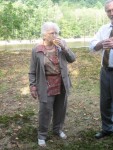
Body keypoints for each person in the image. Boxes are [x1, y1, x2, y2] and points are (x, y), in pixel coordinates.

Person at [29, 22, 75, 147]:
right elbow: (32, 71)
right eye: (52, 33)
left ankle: (58, 130)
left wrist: (65, 47)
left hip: (61, 83)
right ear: (44, 35)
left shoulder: (61, 48)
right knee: (45, 110)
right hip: (46, 84)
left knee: (61, 109)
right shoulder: (37, 50)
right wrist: (32, 85)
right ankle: (42, 135)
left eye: (56, 33)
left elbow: (72, 59)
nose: (55, 35)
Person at [90, 0, 113, 139]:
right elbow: (91, 46)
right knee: (105, 102)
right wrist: (100, 44)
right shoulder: (104, 29)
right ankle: (107, 128)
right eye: (108, 11)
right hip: (105, 71)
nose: (111, 13)